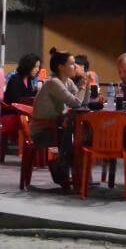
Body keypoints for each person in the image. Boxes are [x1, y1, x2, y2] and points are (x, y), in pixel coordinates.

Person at [30, 48, 84, 189]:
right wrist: (84, 85)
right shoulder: (53, 83)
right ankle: (62, 168)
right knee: (72, 136)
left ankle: (68, 172)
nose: (76, 67)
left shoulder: (68, 82)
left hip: (56, 129)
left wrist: (86, 87)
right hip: (43, 132)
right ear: (61, 67)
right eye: (72, 64)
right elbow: (76, 103)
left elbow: (81, 103)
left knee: (77, 135)